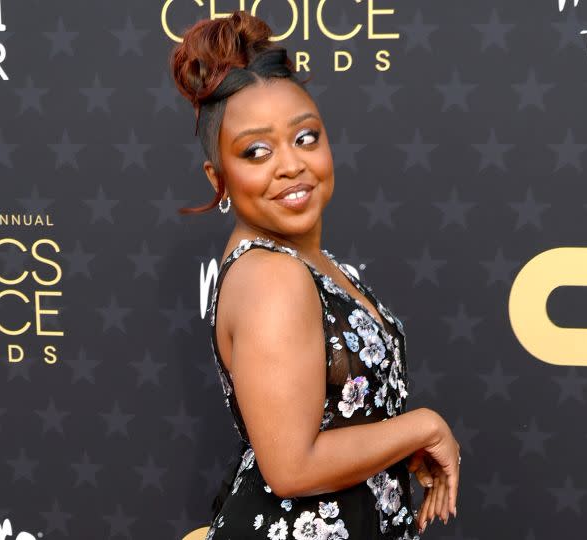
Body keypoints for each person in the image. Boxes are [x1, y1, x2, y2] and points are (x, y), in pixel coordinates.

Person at [170, 10, 461, 539]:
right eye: (256, 151)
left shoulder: (308, 262)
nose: (290, 164)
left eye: (305, 137)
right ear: (219, 177)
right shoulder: (272, 278)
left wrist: (395, 444)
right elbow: (291, 467)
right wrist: (423, 425)